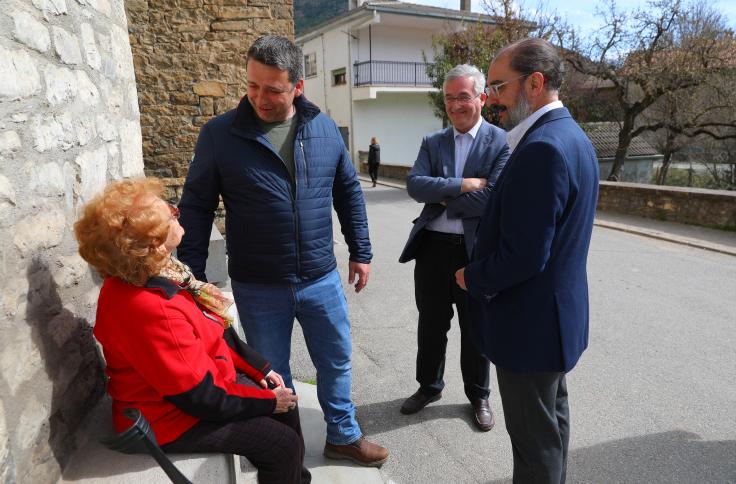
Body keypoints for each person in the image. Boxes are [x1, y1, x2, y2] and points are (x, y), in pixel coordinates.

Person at [176, 35, 388, 467]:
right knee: (273, 373)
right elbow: (195, 209)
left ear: (298, 87)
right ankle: (284, 447)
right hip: (258, 284)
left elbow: (348, 192)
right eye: (252, 85)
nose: (259, 98)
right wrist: (191, 281)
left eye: (273, 89)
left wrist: (360, 250)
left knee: (336, 362)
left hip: (321, 278)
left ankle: (343, 436)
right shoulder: (220, 135)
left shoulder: (324, 128)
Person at [74, 178, 310, 484]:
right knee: (281, 443)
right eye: (171, 214)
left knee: (286, 405)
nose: (177, 212)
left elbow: (214, 330)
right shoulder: (152, 309)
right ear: (153, 243)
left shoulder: (158, 275)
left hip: (196, 386)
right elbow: (199, 397)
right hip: (169, 418)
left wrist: (258, 368)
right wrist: (266, 402)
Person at [455, 38, 599, 483]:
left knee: (535, 450)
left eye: (498, 86)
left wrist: (470, 276)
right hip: (555, 324)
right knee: (551, 430)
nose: (491, 98)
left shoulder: (542, 148)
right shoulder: (570, 136)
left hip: (530, 328)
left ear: (535, 83)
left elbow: (524, 257)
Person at [398, 64, 509, 430]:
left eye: (463, 96)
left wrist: (444, 195)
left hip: (474, 251)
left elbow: (495, 198)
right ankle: (429, 386)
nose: (456, 105)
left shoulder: (500, 142)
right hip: (432, 248)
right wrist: (463, 185)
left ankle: (479, 394)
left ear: (481, 98)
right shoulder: (434, 142)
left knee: (477, 326)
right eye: (449, 98)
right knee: (430, 324)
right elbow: (415, 186)